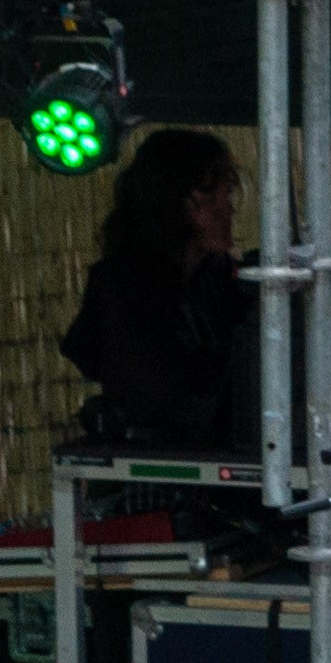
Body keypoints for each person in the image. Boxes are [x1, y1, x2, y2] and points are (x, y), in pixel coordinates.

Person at [62, 129, 252, 447]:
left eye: (227, 190)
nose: (227, 207)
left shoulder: (219, 280)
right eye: (208, 193)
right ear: (171, 199)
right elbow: (160, 388)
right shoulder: (125, 288)